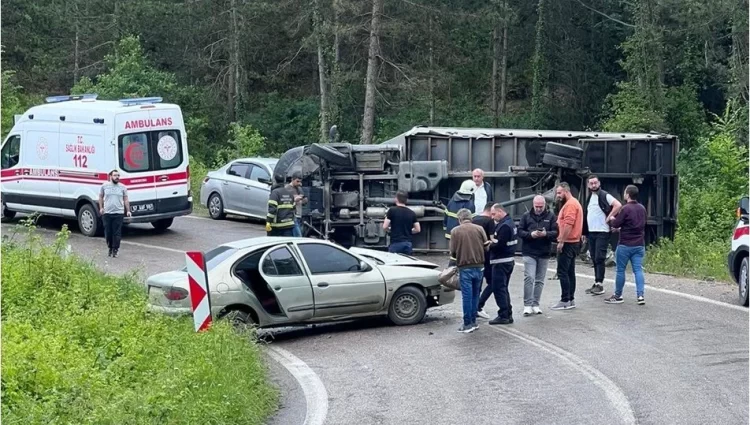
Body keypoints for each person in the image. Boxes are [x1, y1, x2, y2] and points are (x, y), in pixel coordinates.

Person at [604, 185, 647, 305]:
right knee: (638, 270)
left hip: (625, 244)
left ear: (627, 195)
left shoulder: (625, 208)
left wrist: (612, 218)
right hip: (639, 244)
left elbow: (616, 224)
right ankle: (640, 296)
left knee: (620, 270)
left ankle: (618, 295)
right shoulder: (642, 208)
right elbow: (638, 225)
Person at [517, 195, 558, 315]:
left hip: (544, 252)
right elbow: (520, 231)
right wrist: (531, 234)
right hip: (529, 251)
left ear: (545, 205)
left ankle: (536, 303)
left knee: (540, 280)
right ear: (533, 204)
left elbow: (556, 232)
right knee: (529, 277)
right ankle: (527, 304)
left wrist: (546, 234)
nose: (539, 209)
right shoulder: (526, 216)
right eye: (537, 206)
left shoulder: (551, 216)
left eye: (541, 206)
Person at [450, 208, 488, 333]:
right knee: (475, 294)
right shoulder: (479, 229)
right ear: (470, 218)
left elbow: (453, 252)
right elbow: (486, 246)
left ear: (459, 219)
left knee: (467, 296)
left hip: (465, 267)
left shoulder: (455, 231)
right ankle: (474, 322)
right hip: (480, 266)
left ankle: (467, 324)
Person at [582, 175, 622, 296]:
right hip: (592, 231)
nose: (594, 185)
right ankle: (596, 282)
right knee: (594, 257)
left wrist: (609, 217)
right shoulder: (589, 198)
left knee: (599, 257)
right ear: (588, 185)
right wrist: (584, 232)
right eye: (591, 183)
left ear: (599, 183)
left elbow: (618, 205)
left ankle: (600, 283)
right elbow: (586, 215)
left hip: (602, 231)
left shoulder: (604, 195)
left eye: (595, 183)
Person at [550, 182, 583, 311]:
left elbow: (569, 224)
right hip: (574, 241)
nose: (558, 196)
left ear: (566, 191)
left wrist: (562, 241)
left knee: (562, 272)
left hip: (568, 242)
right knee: (570, 272)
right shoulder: (575, 203)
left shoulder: (570, 205)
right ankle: (571, 299)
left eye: (559, 193)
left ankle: (565, 300)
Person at [488, 203, 517, 325]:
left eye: (494, 214)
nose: (492, 217)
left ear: (500, 212)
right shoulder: (510, 223)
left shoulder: (504, 226)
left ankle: (504, 314)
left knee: (498, 288)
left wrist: (489, 245)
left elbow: (500, 245)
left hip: (501, 261)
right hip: (507, 261)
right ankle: (507, 313)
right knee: (503, 288)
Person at [99, 169, 131, 258]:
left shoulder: (123, 187)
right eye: (115, 175)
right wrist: (101, 208)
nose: (117, 177)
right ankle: (110, 247)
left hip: (119, 213)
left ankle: (115, 249)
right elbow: (101, 197)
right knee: (108, 232)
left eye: (118, 176)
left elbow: (126, 199)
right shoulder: (104, 186)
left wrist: (128, 210)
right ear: (110, 176)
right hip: (107, 213)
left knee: (117, 233)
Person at [473, 203, 496, 319]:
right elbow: (491, 240)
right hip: (487, 257)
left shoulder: (472, 220)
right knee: (493, 282)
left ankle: (474, 307)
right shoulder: (490, 222)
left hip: (473, 257)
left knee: (476, 284)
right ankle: (479, 306)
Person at [267, 171, 306, 236]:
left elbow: (272, 209)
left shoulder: (275, 192)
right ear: (292, 179)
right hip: (289, 222)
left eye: (300, 181)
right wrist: (295, 200)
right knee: (296, 237)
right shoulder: (288, 190)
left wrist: (268, 221)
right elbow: (291, 206)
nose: (299, 183)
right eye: (297, 181)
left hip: (281, 224)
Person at [443, 179, 476, 244]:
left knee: (453, 251)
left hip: (451, 233)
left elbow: (446, 215)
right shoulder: (469, 204)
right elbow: (472, 221)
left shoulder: (452, 200)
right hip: (463, 234)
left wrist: (445, 228)